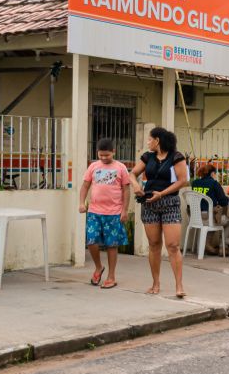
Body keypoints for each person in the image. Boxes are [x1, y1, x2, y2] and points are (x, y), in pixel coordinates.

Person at [130, 127, 188, 298]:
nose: (148, 142)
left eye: (150, 139)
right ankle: (155, 283)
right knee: (154, 245)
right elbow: (132, 173)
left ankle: (179, 285)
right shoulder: (148, 157)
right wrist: (136, 186)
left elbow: (183, 180)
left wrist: (162, 194)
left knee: (172, 245)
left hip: (169, 202)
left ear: (158, 140)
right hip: (149, 202)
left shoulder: (176, 157)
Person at [78, 138, 130, 289]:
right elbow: (85, 186)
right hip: (94, 211)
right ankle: (98, 267)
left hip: (114, 213)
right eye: (101, 155)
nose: (104, 158)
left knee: (111, 245)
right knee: (91, 241)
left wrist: (124, 210)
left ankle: (111, 276)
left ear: (113, 152)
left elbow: (126, 190)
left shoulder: (121, 168)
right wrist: (82, 203)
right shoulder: (93, 166)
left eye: (107, 155)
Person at [191, 163, 229, 255]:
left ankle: (207, 245)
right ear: (212, 173)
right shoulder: (214, 183)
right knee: (228, 222)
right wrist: (228, 199)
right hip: (208, 217)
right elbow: (223, 201)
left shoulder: (195, 183)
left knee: (213, 219)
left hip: (195, 217)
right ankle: (223, 248)